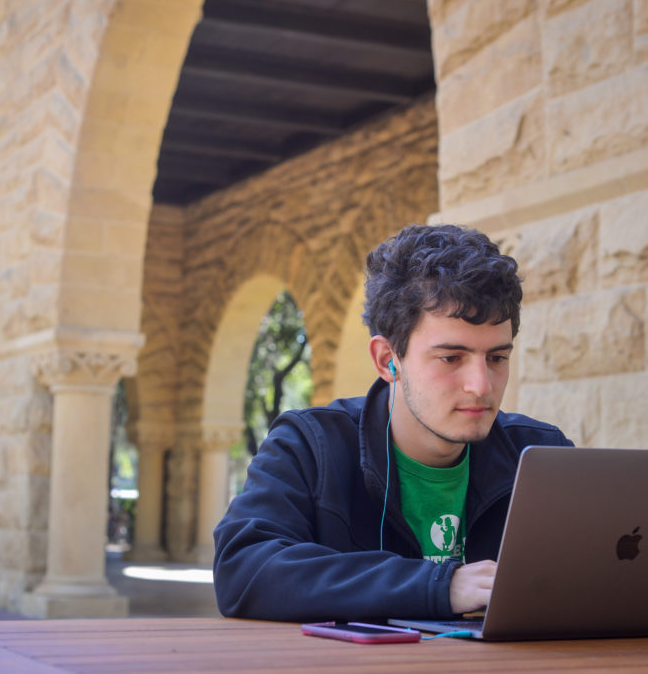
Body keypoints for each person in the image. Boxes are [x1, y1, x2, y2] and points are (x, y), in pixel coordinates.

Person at [212, 223, 574, 622]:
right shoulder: (310, 445)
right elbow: (244, 570)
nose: (480, 385)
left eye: (497, 358)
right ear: (388, 359)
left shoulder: (540, 454)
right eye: (451, 358)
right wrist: (440, 585)